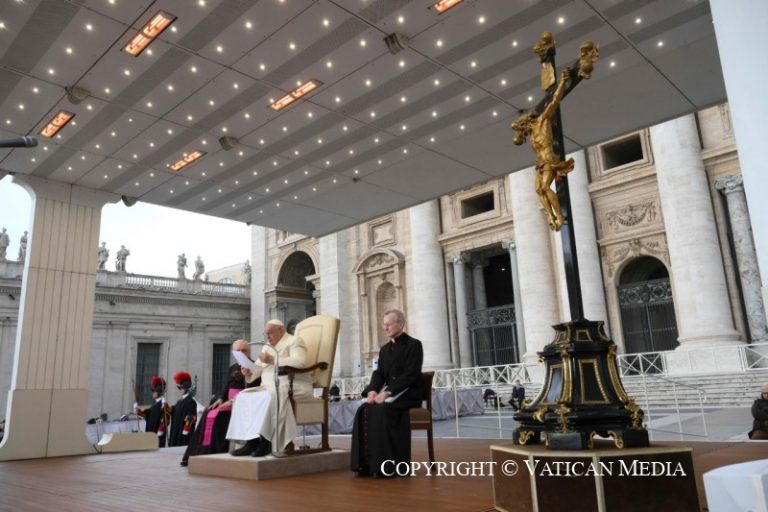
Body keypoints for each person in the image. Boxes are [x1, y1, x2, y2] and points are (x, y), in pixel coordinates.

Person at [350, 309, 423, 477]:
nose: (385, 328)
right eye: (384, 324)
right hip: (392, 395)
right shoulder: (384, 350)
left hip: (409, 394)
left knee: (383, 410)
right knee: (364, 409)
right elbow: (379, 374)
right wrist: (372, 391)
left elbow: (411, 374)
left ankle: (388, 467)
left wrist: (388, 392)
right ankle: (367, 465)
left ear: (401, 324)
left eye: (389, 324)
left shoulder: (414, 345)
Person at [226, 319, 311, 457]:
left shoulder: (295, 341)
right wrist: (249, 372)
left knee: (270, 396)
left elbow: (301, 362)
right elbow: (259, 367)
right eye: (266, 334)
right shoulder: (267, 346)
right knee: (243, 396)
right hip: (268, 386)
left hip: (293, 384)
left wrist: (273, 360)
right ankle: (251, 442)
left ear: (281, 330)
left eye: (270, 333)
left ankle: (267, 442)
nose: (267, 337)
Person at [511, 66, 575, 231]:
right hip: (540, 162)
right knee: (538, 190)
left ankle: (560, 216)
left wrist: (563, 82)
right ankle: (551, 216)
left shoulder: (542, 120)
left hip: (549, 159)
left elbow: (555, 101)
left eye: (521, 129)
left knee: (545, 187)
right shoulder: (532, 134)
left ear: (526, 123)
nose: (522, 133)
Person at [183, 340, 261, 463]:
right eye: (238, 351)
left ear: (249, 352)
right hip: (227, 402)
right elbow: (226, 387)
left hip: (241, 404)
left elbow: (252, 390)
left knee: (217, 418)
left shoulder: (254, 366)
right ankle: (196, 453)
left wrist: (233, 401)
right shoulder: (233, 367)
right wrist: (220, 398)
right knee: (208, 412)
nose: (241, 353)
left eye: (244, 350)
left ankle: (214, 452)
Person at [134, 376, 170, 448]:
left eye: (153, 390)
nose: (152, 393)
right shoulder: (154, 406)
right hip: (150, 437)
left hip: (157, 438)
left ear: (158, 391)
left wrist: (161, 430)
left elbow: (166, 419)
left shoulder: (163, 405)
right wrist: (137, 410)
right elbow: (146, 413)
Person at [168, 371, 197, 456]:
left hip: (183, 436)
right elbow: (174, 412)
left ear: (186, 387)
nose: (180, 390)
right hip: (175, 433)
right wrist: (165, 407)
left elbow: (192, 417)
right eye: (179, 388)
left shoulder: (191, 402)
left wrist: (187, 425)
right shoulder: (179, 402)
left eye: (180, 388)